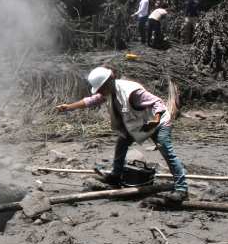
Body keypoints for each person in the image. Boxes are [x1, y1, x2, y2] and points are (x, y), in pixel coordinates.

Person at [55, 67, 188, 202]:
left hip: (158, 122)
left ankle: (182, 189)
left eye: (101, 88)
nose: (100, 92)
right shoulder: (109, 91)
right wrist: (69, 107)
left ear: (109, 81)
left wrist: (156, 120)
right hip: (140, 125)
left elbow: (157, 103)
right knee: (121, 143)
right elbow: (91, 101)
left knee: (166, 151)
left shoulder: (131, 92)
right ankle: (115, 176)